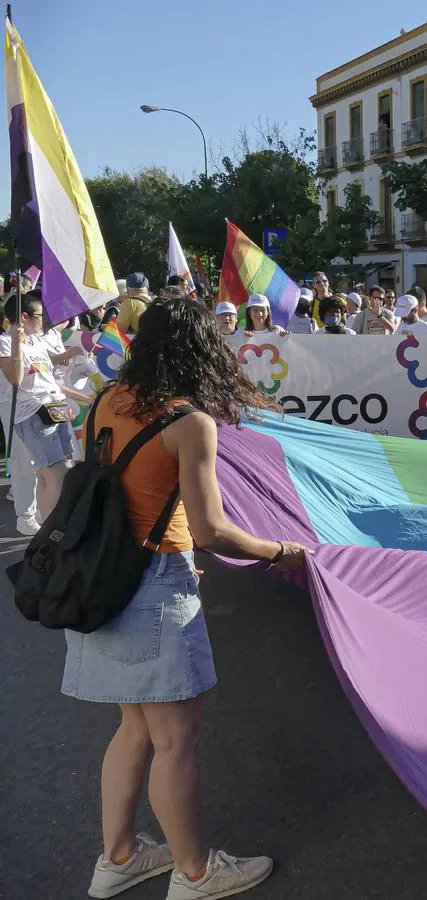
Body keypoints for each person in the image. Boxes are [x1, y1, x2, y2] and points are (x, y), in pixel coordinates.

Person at [64, 298, 309, 900]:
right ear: (200, 351)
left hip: (99, 581)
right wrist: (280, 551)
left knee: (134, 730)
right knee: (174, 740)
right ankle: (196, 873)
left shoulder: (105, 400)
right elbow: (211, 530)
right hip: (151, 585)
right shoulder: (187, 421)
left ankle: (118, 857)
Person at [1, 291, 89, 520]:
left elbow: (49, 378)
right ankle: (56, 528)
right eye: (40, 315)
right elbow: (16, 379)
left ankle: (46, 523)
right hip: (32, 414)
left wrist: (87, 397)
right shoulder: (4, 343)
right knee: (56, 474)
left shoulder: (38, 341)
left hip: (55, 409)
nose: (45, 320)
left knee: (51, 473)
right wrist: (16, 345)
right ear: (24, 317)